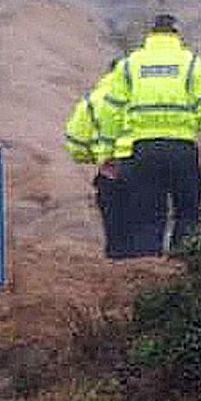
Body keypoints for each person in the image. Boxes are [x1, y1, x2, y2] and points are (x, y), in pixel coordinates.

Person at [104, 13, 201, 255]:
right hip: (182, 148)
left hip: (143, 149)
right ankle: (181, 273)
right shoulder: (193, 64)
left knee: (148, 217)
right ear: (176, 35)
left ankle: (146, 276)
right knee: (188, 214)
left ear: (150, 35)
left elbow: (111, 110)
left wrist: (108, 153)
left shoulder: (130, 65)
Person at [64, 59, 131, 258]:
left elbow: (76, 143)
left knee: (114, 229)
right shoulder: (143, 98)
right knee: (146, 227)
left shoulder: (92, 100)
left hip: (109, 170)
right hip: (143, 165)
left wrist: (94, 157)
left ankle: (116, 269)